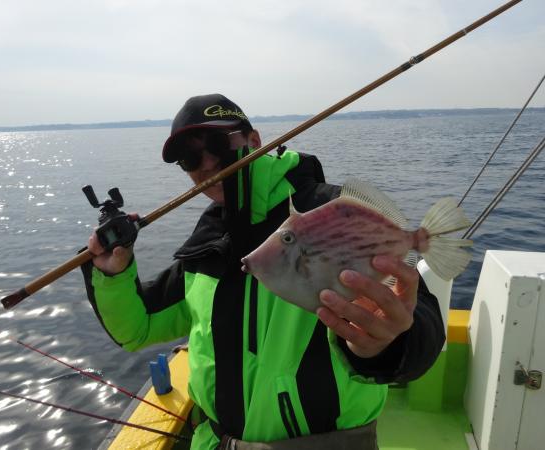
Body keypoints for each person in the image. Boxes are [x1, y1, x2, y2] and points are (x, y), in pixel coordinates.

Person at [81, 94, 445, 450]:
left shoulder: (328, 210)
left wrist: (388, 343)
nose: (205, 164)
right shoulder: (207, 244)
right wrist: (113, 275)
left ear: (254, 141)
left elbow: (418, 318)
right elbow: (138, 328)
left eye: (217, 145)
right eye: (189, 159)